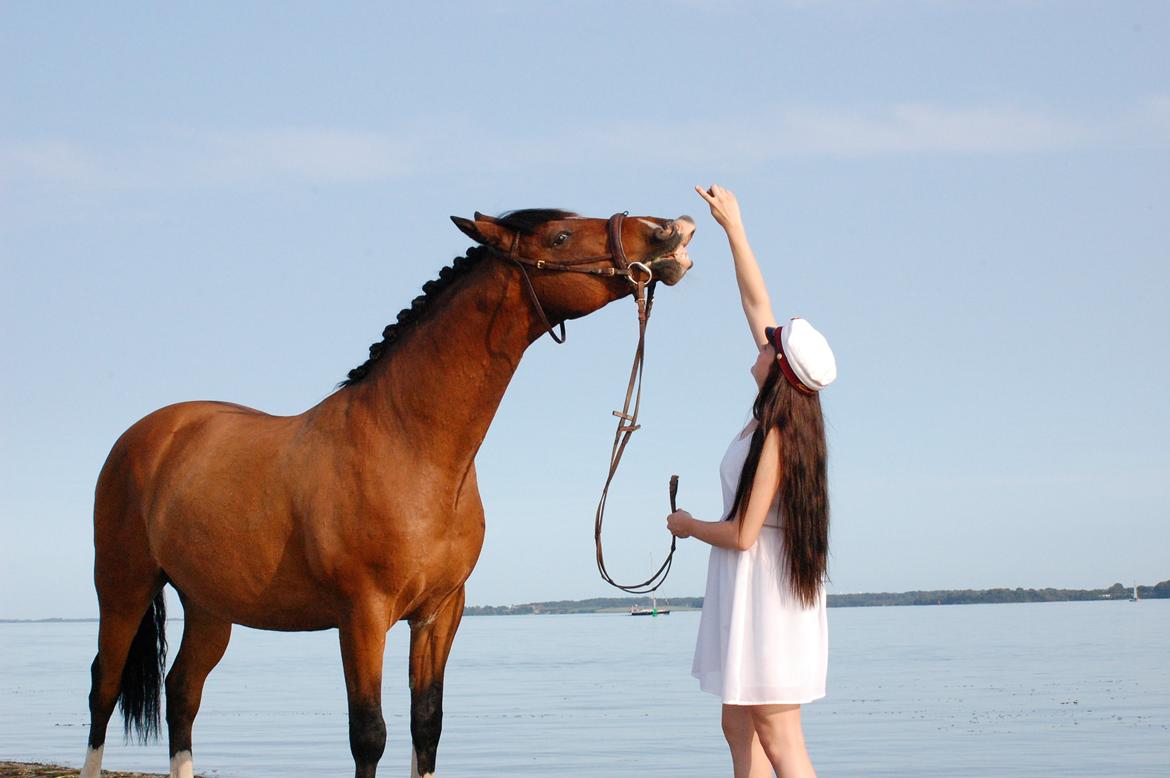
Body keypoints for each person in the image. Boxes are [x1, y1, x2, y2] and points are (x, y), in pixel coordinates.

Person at [667, 184, 837, 778]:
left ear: (779, 370)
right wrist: (734, 228)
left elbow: (742, 533)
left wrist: (687, 526)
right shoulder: (773, 412)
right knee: (739, 724)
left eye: (771, 346)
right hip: (755, 585)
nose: (761, 343)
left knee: (777, 730)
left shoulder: (778, 437)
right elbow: (756, 302)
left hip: (766, 586)